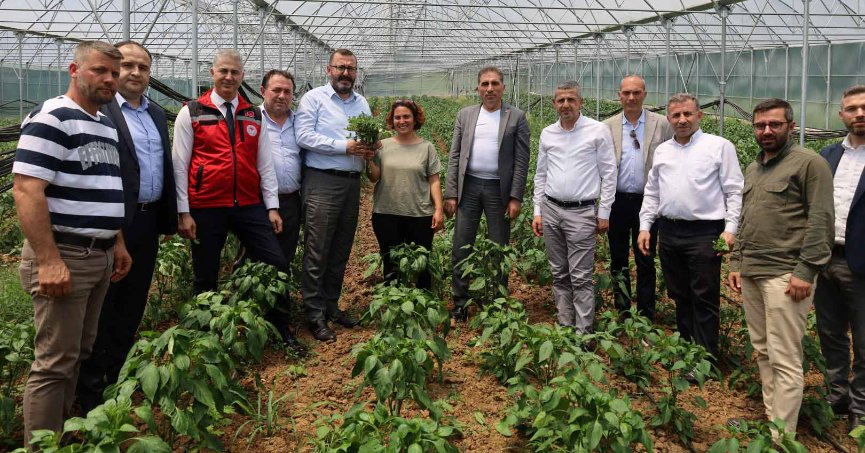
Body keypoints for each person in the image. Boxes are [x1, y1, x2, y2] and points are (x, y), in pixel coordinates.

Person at [12, 41, 132, 444]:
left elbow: (104, 188)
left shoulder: (103, 123)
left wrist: (116, 242)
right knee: (54, 363)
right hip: (65, 254)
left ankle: (59, 436)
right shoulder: (53, 116)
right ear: (74, 70)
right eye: (100, 70)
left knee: (78, 353)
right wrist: (48, 260)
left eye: (113, 73)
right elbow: (28, 189)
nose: (110, 80)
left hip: (96, 255)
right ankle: (41, 445)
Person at [172, 49, 302, 350]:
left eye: (235, 72)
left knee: (276, 262)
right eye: (224, 71)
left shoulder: (252, 114)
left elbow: (264, 165)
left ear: (242, 76)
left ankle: (282, 328)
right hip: (206, 207)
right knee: (205, 272)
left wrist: (271, 207)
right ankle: (203, 338)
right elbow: (180, 165)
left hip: (247, 204)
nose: (229, 77)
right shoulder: (191, 112)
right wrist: (183, 212)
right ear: (213, 73)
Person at [76, 41, 177, 413]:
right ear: (115, 69)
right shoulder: (98, 111)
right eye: (129, 65)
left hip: (147, 221)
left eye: (143, 67)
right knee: (103, 305)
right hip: (114, 224)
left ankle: (116, 373)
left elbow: (163, 167)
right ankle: (89, 390)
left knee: (133, 301)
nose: (136, 73)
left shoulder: (154, 115)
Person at [728, 98, 834, 434]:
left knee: (784, 356)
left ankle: (781, 437)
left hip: (786, 275)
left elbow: (821, 221)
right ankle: (773, 418)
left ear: (791, 126)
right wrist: (737, 261)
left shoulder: (809, 164)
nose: (766, 131)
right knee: (762, 350)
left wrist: (806, 271)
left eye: (775, 124)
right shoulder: (755, 167)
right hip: (753, 271)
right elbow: (746, 220)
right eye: (760, 125)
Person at [638, 93, 743, 363]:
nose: (682, 120)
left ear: (699, 115)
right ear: (669, 118)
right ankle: (686, 349)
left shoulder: (719, 146)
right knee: (679, 293)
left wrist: (730, 229)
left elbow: (734, 191)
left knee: (704, 295)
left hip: (705, 233)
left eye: (687, 114)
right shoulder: (663, 150)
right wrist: (645, 226)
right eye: (676, 115)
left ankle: (705, 359)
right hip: (670, 232)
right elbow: (652, 192)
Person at [295, 48, 376, 342]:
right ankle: (313, 313)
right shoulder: (314, 99)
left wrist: (370, 147)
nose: (345, 73)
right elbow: (303, 136)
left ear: (356, 73)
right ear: (329, 70)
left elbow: (367, 138)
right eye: (340, 68)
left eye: (351, 69)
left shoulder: (361, 104)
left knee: (341, 247)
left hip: (351, 183)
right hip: (322, 181)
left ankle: (331, 305)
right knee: (318, 249)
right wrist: (345, 146)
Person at [444, 66, 530, 322]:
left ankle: (497, 301)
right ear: (478, 88)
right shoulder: (466, 115)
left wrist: (515, 197)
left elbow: (521, 160)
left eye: (494, 83)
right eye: (485, 84)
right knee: (461, 245)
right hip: (468, 187)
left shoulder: (516, 117)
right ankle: (460, 303)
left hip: (498, 190)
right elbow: (455, 155)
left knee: (499, 246)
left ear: (503, 87)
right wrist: (451, 193)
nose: (490, 88)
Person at [531, 81, 617, 333]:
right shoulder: (548, 133)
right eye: (561, 100)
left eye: (571, 99)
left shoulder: (597, 130)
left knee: (580, 275)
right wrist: (537, 211)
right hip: (551, 209)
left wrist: (604, 212)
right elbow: (541, 174)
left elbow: (609, 173)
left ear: (581, 102)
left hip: (581, 212)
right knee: (559, 272)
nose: (566, 104)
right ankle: (565, 322)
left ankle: (584, 331)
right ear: (554, 104)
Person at [814, 84, 865, 433]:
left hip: (859, 260)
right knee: (830, 332)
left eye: (864, 107)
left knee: (863, 338)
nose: (859, 113)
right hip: (824, 257)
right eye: (852, 108)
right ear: (841, 114)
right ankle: (837, 394)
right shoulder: (828, 154)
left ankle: (860, 405)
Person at [603, 75, 673, 320]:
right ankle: (622, 311)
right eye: (626, 93)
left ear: (645, 94)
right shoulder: (608, 126)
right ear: (619, 95)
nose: (631, 98)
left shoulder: (662, 124)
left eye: (636, 92)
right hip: (617, 202)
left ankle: (645, 314)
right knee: (618, 257)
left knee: (645, 256)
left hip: (648, 201)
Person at [234, 70, 303, 289]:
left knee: (285, 255)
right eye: (276, 90)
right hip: (256, 202)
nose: (282, 96)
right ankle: (248, 308)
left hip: (291, 200)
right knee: (251, 256)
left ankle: (279, 312)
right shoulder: (247, 119)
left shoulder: (300, 123)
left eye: (287, 91)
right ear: (263, 91)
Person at [366, 100, 444, 289]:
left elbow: (434, 181)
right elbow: (374, 178)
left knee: (421, 263)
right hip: (386, 213)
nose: (402, 121)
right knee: (391, 262)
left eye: (406, 116)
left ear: (415, 119)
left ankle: (423, 303)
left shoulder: (427, 147)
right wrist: (368, 159)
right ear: (392, 121)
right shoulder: (382, 146)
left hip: (420, 214)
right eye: (397, 117)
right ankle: (395, 305)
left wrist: (438, 209)